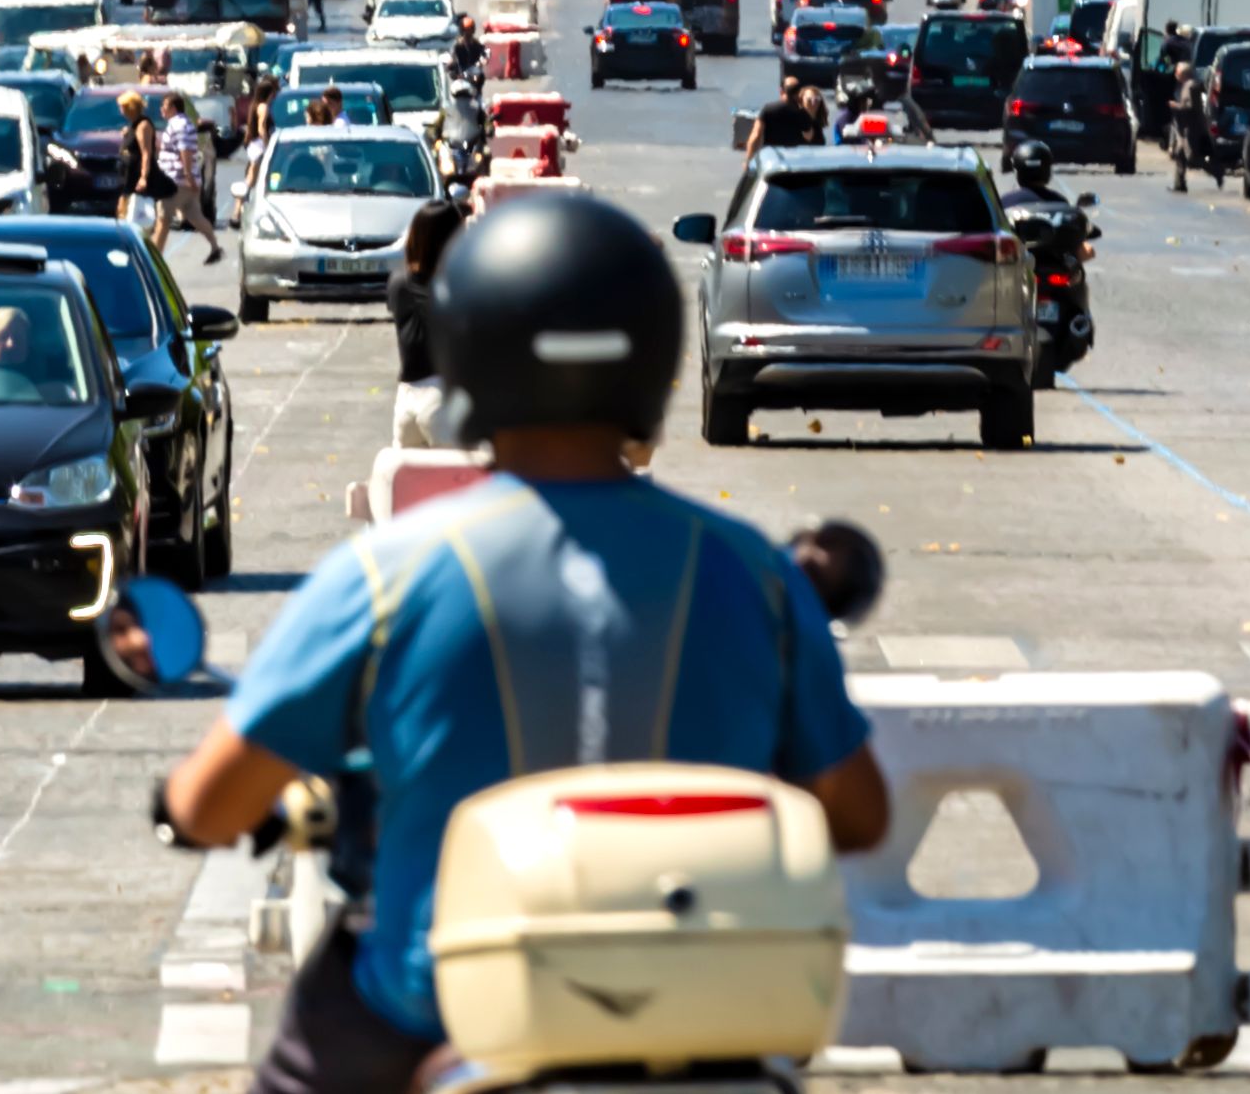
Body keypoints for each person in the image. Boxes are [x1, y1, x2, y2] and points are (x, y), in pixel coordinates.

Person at [159, 190, 892, 1094]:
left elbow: (208, 806)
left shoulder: (388, 575)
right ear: (654, 361)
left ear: (472, 353)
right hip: (714, 1009)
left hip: (440, 1009)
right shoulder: (757, 574)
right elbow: (859, 814)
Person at [378, 193, 474, 449]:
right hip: (441, 396)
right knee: (460, 480)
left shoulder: (398, 283)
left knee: (407, 482)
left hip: (407, 398)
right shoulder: (456, 286)